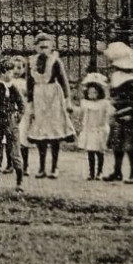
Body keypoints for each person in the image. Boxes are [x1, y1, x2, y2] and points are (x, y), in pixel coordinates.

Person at [27, 36, 76, 179]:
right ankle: (42, 167)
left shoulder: (55, 61)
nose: (43, 50)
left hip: (53, 97)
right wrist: (30, 103)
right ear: (35, 47)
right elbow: (29, 84)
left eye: (46, 47)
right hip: (39, 97)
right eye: (40, 47)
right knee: (40, 132)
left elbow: (64, 81)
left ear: (51, 48)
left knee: (54, 131)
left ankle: (54, 167)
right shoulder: (31, 62)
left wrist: (68, 101)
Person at [103, 41, 133, 184]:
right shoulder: (116, 77)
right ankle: (117, 171)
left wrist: (128, 112)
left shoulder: (130, 81)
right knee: (117, 145)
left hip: (129, 115)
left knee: (130, 146)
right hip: (118, 114)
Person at [0, 58, 27, 192]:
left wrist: (18, 116)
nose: (12, 74)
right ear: (1, 73)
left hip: (10, 121)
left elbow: (21, 104)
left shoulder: (13, 88)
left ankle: (19, 182)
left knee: (15, 150)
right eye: (9, 71)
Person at [75, 73, 113, 180]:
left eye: (95, 92)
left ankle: (99, 172)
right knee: (90, 152)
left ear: (99, 93)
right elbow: (80, 112)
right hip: (89, 130)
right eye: (90, 92)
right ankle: (91, 172)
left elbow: (109, 114)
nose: (92, 94)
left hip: (99, 129)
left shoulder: (104, 103)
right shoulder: (85, 103)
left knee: (99, 152)